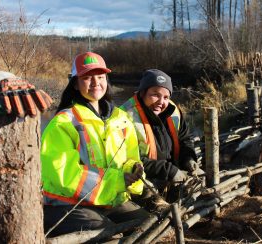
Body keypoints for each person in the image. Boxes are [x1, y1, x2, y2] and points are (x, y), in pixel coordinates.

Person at [41, 52, 150, 237]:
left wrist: (133, 170)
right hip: (68, 204)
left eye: (100, 77)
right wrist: (118, 180)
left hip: (109, 199)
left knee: (147, 226)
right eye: (87, 78)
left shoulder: (121, 119)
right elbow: (63, 175)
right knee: (110, 237)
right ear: (75, 83)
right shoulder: (63, 123)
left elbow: (131, 158)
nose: (95, 83)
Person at [121, 69, 204, 200]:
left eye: (166, 97)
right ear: (142, 93)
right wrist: (169, 171)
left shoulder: (173, 111)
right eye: (155, 94)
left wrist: (188, 159)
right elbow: (128, 160)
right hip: (142, 180)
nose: (161, 101)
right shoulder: (124, 116)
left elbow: (184, 139)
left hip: (172, 173)